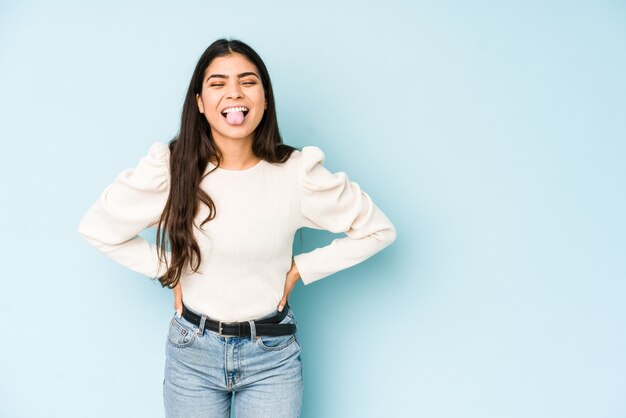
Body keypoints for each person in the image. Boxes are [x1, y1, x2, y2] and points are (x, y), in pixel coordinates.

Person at [77, 38, 397, 418]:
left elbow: (378, 230)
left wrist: (303, 268)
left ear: (265, 97)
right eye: (217, 83)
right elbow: (98, 226)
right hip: (192, 352)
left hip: (271, 355)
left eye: (248, 81)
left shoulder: (296, 173)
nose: (234, 93)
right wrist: (165, 267)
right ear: (199, 102)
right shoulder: (172, 168)